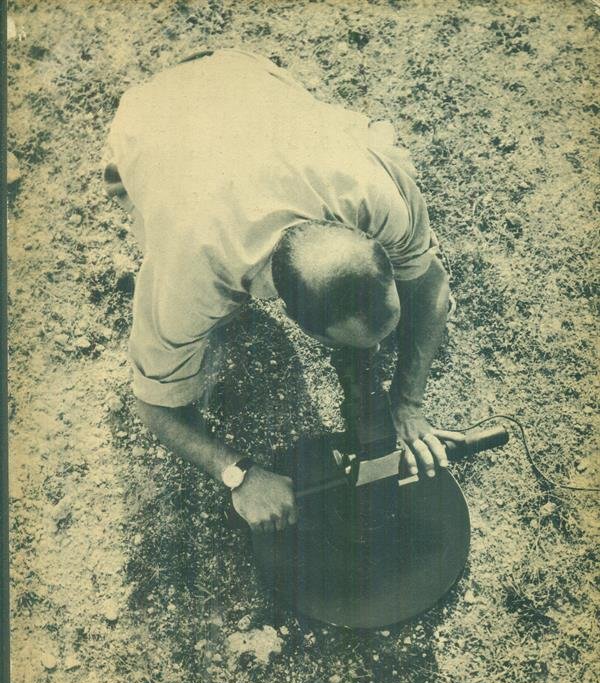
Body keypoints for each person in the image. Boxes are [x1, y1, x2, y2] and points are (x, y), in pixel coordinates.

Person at [104, 49, 460, 535]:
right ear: (291, 315)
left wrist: (409, 400)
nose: (374, 357)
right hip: (156, 118)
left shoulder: (371, 192)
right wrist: (239, 474)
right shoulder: (195, 275)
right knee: (155, 202)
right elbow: (154, 405)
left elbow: (431, 283)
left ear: (369, 243)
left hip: (237, 71)